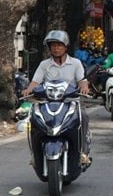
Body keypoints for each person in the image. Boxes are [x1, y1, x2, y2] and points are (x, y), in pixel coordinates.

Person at [24, 30, 91, 165]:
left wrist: (84, 87)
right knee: (34, 120)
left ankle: (83, 152)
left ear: (66, 47)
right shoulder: (44, 65)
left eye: (59, 45)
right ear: (49, 48)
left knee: (83, 117)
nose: (56, 48)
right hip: (48, 103)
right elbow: (35, 82)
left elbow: (82, 80)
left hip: (70, 102)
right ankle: (35, 155)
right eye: (53, 45)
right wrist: (28, 90)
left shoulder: (76, 63)